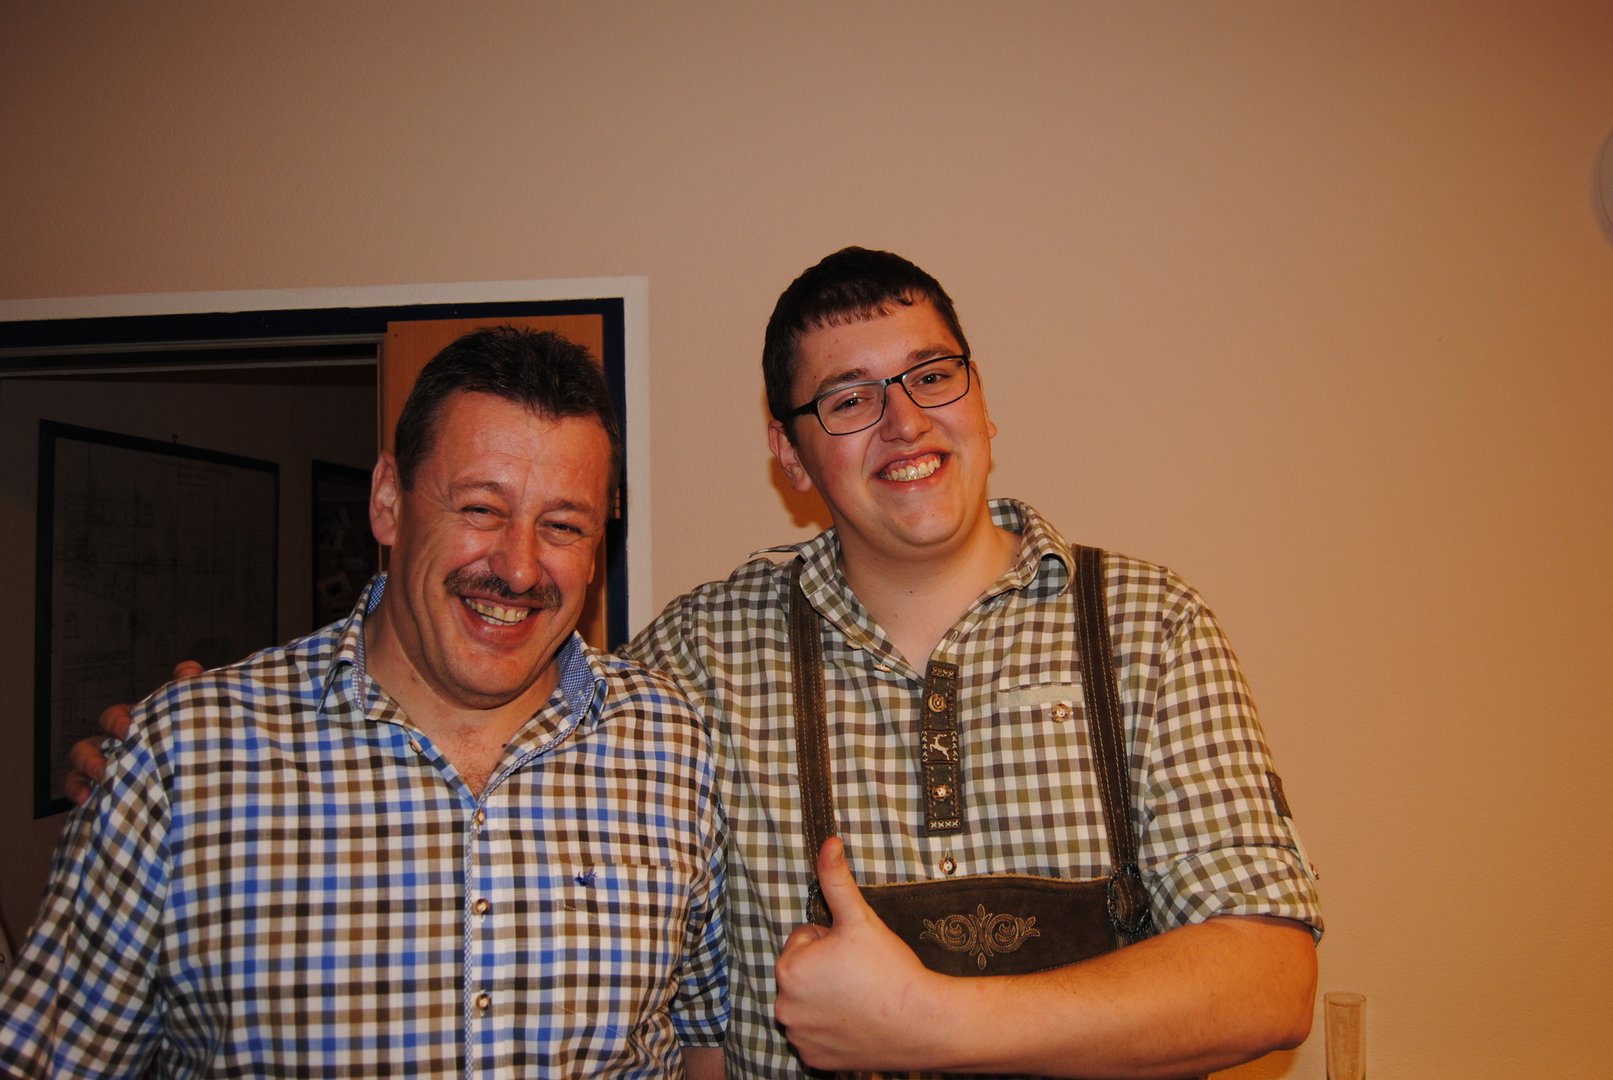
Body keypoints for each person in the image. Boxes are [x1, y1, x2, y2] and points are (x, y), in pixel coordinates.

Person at [70, 249, 1322, 1079]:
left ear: (979, 395)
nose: (902, 421)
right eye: (846, 398)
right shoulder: (693, 662)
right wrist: (187, 757)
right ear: (789, 456)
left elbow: (1270, 980)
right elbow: (502, 691)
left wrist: (930, 1022)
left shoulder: (1145, 626)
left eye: (929, 375)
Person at [5, 326, 728, 1078]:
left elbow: (702, 1040)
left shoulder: (669, 743)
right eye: (480, 509)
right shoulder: (181, 760)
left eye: (563, 525)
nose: (518, 569)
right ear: (388, 501)